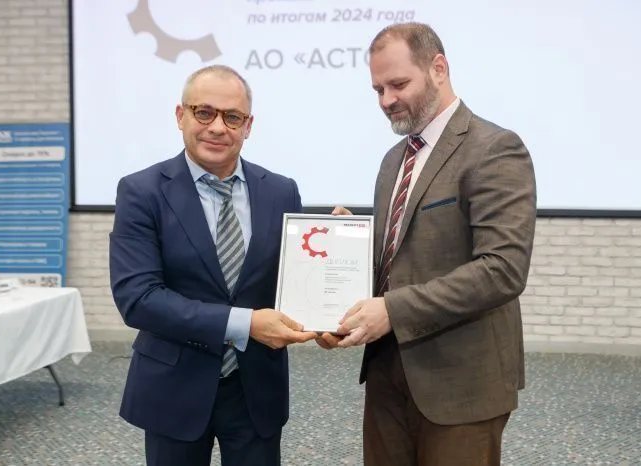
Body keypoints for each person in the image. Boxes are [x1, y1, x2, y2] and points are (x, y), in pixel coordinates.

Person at [317, 22, 537, 465]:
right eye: (378, 89)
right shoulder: (393, 160)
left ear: (438, 68)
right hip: (386, 374)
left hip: (461, 382)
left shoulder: (494, 149)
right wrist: (352, 246)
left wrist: (392, 310)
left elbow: (502, 270)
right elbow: (404, 255)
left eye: (398, 84)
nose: (386, 100)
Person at [109, 65, 316, 466]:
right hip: (174, 385)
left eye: (232, 117)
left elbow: (295, 278)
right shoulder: (141, 191)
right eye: (204, 112)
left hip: (255, 387)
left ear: (248, 126)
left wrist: (335, 244)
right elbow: (138, 299)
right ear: (180, 115)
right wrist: (245, 323)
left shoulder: (281, 191)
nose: (218, 127)